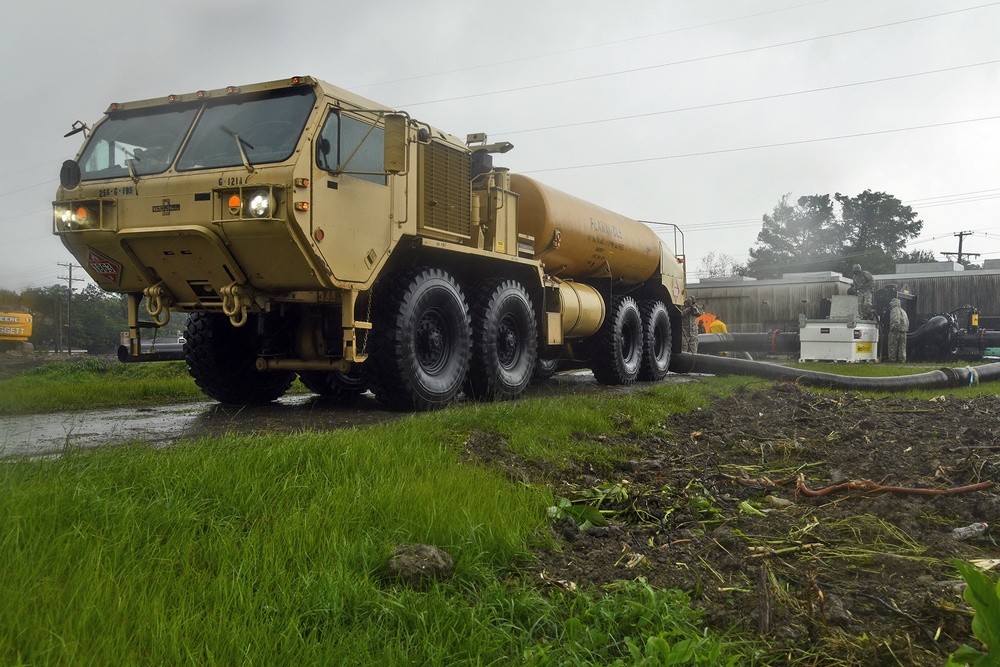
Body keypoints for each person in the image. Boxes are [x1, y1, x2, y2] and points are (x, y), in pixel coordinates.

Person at [887, 298, 909, 362]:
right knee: (902, 346)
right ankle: (902, 359)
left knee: (892, 345)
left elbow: (896, 320)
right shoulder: (903, 311)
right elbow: (907, 321)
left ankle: (892, 359)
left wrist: (893, 328)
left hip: (895, 331)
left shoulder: (894, 310)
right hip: (903, 331)